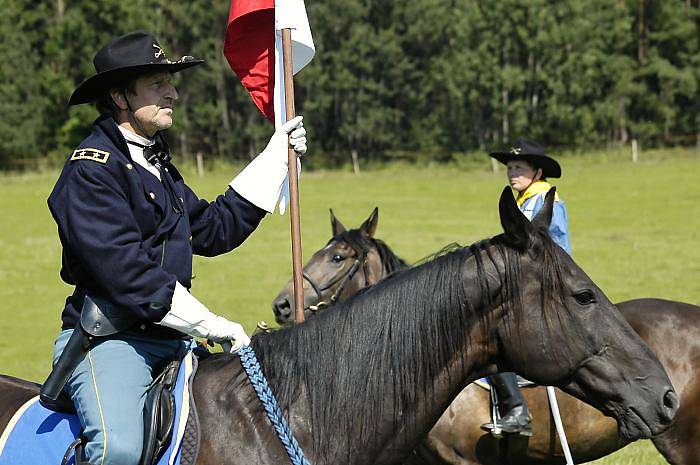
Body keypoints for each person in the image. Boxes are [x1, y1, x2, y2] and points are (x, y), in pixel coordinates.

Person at [45, 31, 308, 465]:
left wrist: (274, 159)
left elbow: (211, 229)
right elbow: (128, 274)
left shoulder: (155, 163)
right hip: (112, 341)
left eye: (170, 83)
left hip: (173, 339)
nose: (174, 93)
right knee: (119, 451)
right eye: (158, 85)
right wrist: (210, 323)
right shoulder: (92, 170)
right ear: (120, 96)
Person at [485, 139, 570, 435]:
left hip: (546, 286)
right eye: (509, 167)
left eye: (518, 167)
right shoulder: (521, 201)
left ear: (537, 171)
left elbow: (551, 251)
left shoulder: (547, 201)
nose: (511, 173)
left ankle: (517, 409)